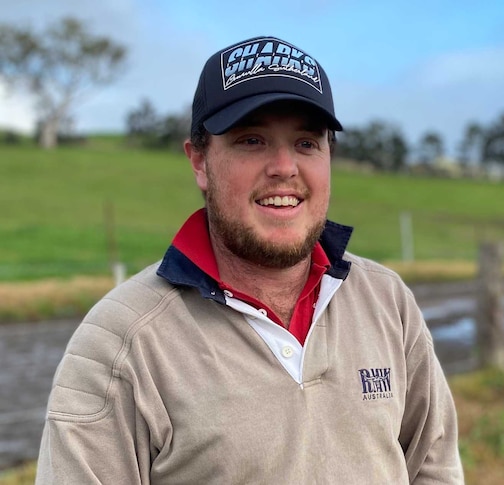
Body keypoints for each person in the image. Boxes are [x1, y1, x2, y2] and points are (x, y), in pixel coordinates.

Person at [35, 35, 464, 484]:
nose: (284, 167)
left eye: (306, 143)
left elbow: (434, 468)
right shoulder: (122, 341)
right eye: (252, 140)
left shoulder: (385, 301)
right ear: (199, 161)